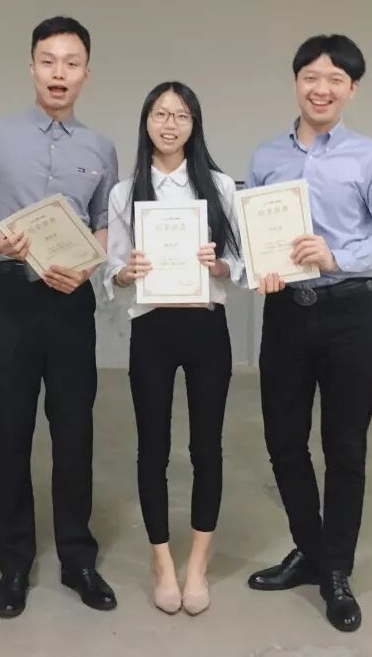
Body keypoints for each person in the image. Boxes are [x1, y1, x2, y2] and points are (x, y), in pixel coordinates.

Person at [0, 16, 120, 618]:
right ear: (32, 68)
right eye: (48, 61)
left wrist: (90, 265)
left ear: (86, 73)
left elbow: (106, 221)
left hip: (71, 299)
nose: (58, 73)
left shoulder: (100, 147)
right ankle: (14, 563)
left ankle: (78, 559)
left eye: (71, 63)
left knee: (75, 430)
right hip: (9, 299)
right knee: (11, 429)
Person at [244, 35, 372, 633]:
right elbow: (250, 230)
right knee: (284, 442)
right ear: (296, 82)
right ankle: (310, 550)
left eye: (335, 79)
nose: (321, 88)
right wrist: (256, 265)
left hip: (348, 314)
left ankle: (336, 570)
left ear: (352, 89)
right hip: (286, 313)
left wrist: (337, 256)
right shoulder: (266, 156)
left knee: (345, 447)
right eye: (311, 76)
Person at [105, 82, 242, 616]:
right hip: (152, 330)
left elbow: (241, 264)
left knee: (207, 448)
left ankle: (198, 564)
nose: (170, 124)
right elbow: (113, 269)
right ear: (146, 122)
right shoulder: (125, 193)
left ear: (194, 124)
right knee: (153, 448)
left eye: (181, 115)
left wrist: (218, 264)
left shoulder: (220, 187)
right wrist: (126, 272)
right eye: (160, 114)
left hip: (206, 326)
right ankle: (162, 560)